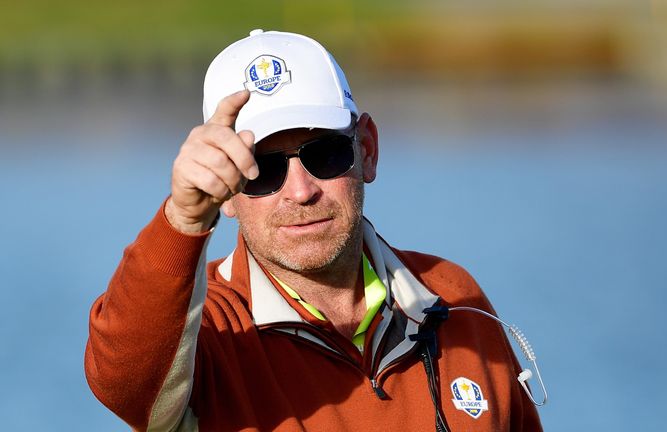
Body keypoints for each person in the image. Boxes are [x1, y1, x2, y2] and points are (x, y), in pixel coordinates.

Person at [85, 29, 543, 432]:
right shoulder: (205, 334)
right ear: (225, 193)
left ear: (367, 150)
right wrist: (183, 220)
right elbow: (124, 384)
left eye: (325, 154)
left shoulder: (452, 298)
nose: (301, 191)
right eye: (261, 169)